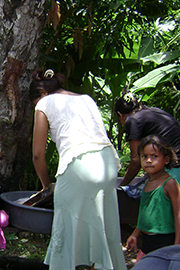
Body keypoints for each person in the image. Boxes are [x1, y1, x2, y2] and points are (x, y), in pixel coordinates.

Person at [29, 68, 126, 270]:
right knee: (101, 227)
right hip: (107, 163)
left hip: (79, 164)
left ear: (42, 94)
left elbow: (38, 154)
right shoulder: (86, 99)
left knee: (68, 231)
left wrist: (47, 186)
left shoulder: (45, 103)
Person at [115, 91, 180, 245]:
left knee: (179, 225)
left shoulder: (132, 120)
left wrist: (122, 186)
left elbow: (136, 160)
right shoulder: (154, 111)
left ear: (120, 115)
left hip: (178, 170)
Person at [126, 135, 180, 262]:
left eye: (154, 156)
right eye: (144, 156)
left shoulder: (170, 184)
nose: (149, 160)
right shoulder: (147, 183)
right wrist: (135, 234)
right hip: (147, 243)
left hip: (164, 241)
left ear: (166, 159)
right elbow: (145, 213)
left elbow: (178, 214)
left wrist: (177, 245)